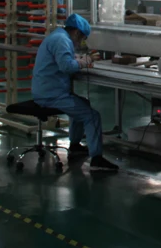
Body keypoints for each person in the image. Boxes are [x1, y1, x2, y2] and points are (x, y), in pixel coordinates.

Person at [32, 13, 118, 172]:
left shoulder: (58, 36)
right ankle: (96, 159)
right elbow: (66, 66)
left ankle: (75, 145)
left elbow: (63, 58)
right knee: (92, 116)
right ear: (77, 32)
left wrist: (77, 58)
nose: (80, 43)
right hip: (52, 95)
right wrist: (84, 62)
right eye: (82, 38)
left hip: (46, 90)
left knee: (83, 104)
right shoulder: (62, 40)